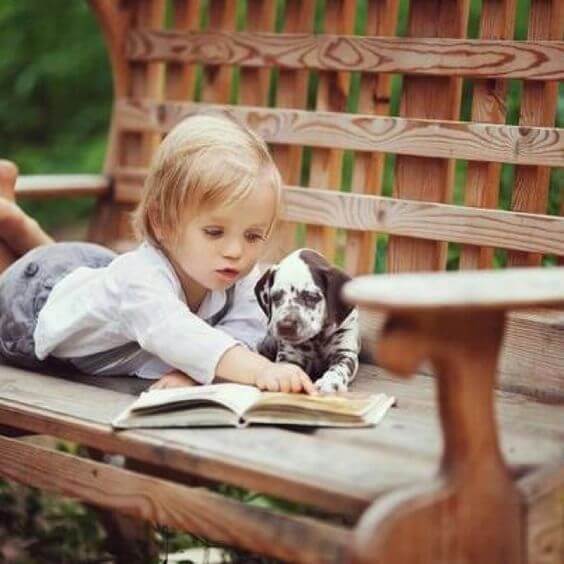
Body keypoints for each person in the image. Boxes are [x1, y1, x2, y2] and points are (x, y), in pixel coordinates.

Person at [0, 114, 317, 394]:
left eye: (253, 235)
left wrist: (193, 372)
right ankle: (10, 217)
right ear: (161, 222)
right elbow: (174, 332)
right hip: (31, 306)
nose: (236, 251)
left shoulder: (239, 276)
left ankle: (13, 217)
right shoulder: (140, 282)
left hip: (92, 273)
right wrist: (261, 370)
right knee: (13, 275)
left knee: (59, 268)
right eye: (214, 232)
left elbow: (247, 328)